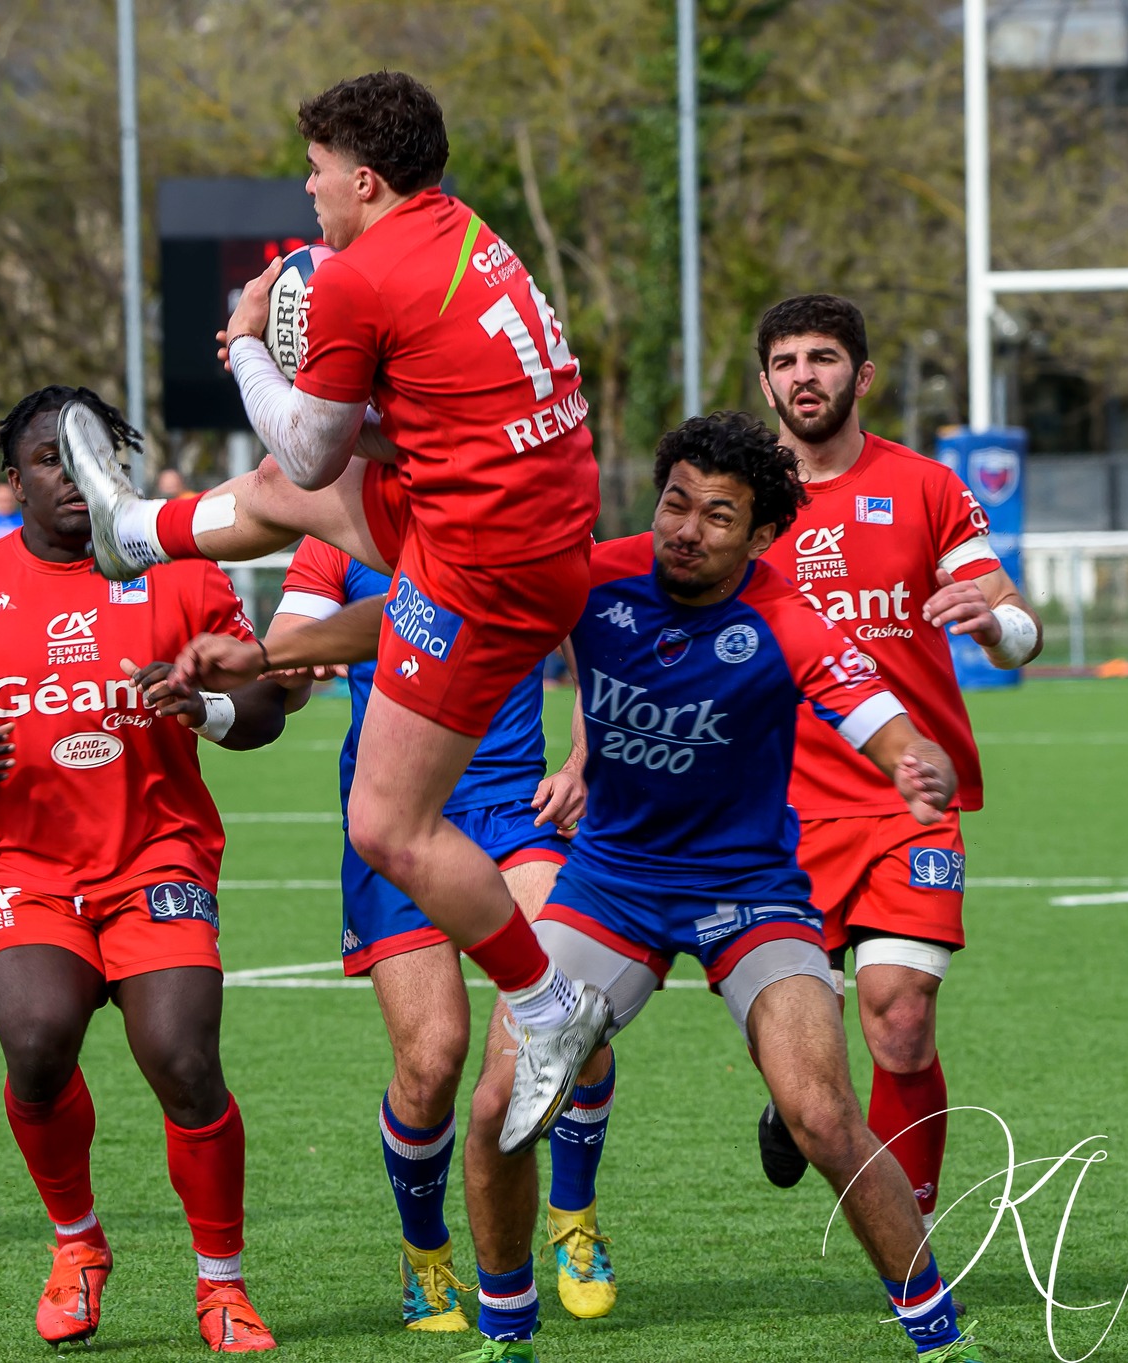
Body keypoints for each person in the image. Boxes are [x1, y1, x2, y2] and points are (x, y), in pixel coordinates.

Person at [87, 72, 609, 1153]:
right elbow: (370, 440)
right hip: (540, 524)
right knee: (294, 500)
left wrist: (240, 348)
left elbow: (309, 440)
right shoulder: (464, 233)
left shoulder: (357, 279)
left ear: (363, 179)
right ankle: (130, 531)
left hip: (481, 564)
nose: (307, 190)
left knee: (384, 824)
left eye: (317, 171)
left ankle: (551, 1009)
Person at [459, 412, 982, 1363]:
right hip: (611, 886)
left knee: (820, 1111)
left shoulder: (784, 618)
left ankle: (939, 1338)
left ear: (761, 535)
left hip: (750, 891)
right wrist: (284, 651)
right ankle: (506, 1334)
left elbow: (871, 707)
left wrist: (912, 759)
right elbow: (449, 605)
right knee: (497, 1105)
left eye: (717, 515)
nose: (685, 530)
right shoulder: (595, 572)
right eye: (674, 504)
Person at [0, 386, 290, 1352]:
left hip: (156, 849)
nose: (73, 477)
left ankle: (221, 1284)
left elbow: (268, 705)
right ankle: (77, 1244)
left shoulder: (187, 576)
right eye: (50, 460)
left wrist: (212, 711)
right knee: (36, 1042)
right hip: (18, 860)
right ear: (14, 478)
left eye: (91, 456)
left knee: (185, 1063)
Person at [269, 539, 618, 1332]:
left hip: (512, 811)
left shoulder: (516, 511)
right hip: (395, 824)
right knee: (431, 1063)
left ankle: (575, 1215)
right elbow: (294, 640)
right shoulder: (335, 533)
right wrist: (284, 664)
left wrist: (583, 758)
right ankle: (425, 1256)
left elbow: (604, 639)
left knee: (572, 1013)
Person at [750, 295, 1041, 1230]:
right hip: (776, 811)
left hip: (909, 799)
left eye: (824, 358)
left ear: (861, 376)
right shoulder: (739, 502)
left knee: (901, 1017)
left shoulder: (926, 487)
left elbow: (1022, 626)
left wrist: (996, 624)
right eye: (787, 361)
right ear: (766, 383)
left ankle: (905, 1238)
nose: (806, 375)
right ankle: (796, 1105)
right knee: (805, 1057)